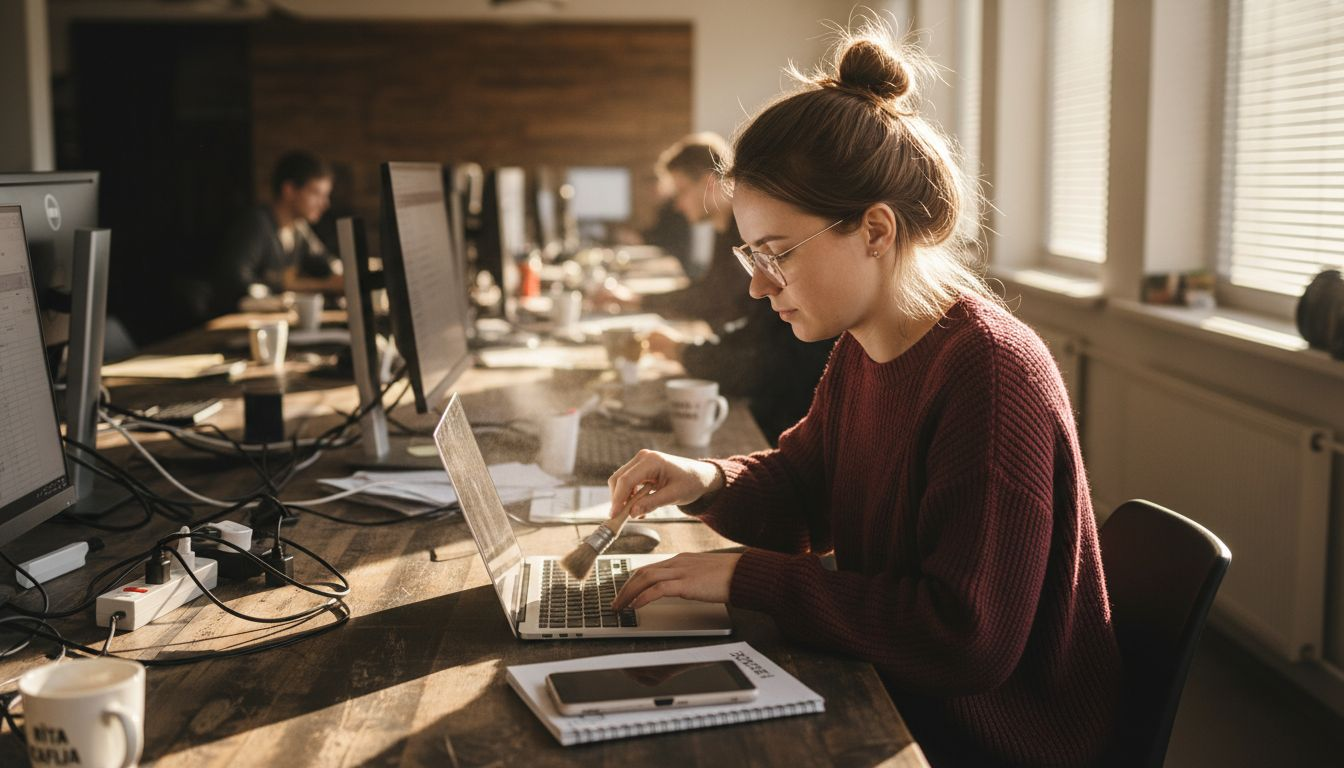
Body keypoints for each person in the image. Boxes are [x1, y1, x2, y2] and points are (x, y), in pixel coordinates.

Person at [606, 25, 1121, 767]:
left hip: (984, 736)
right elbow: (805, 489)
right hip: (900, 687)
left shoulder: (990, 375)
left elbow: (964, 639)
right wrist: (706, 479)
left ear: (875, 230)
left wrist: (749, 578)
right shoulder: (866, 345)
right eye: (749, 254)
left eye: (775, 254)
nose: (756, 284)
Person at [214, 150, 343, 312]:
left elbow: (325, 261)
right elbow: (237, 279)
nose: (324, 204)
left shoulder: (299, 229)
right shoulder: (258, 224)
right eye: (316, 193)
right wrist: (323, 286)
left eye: (326, 195)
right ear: (289, 190)